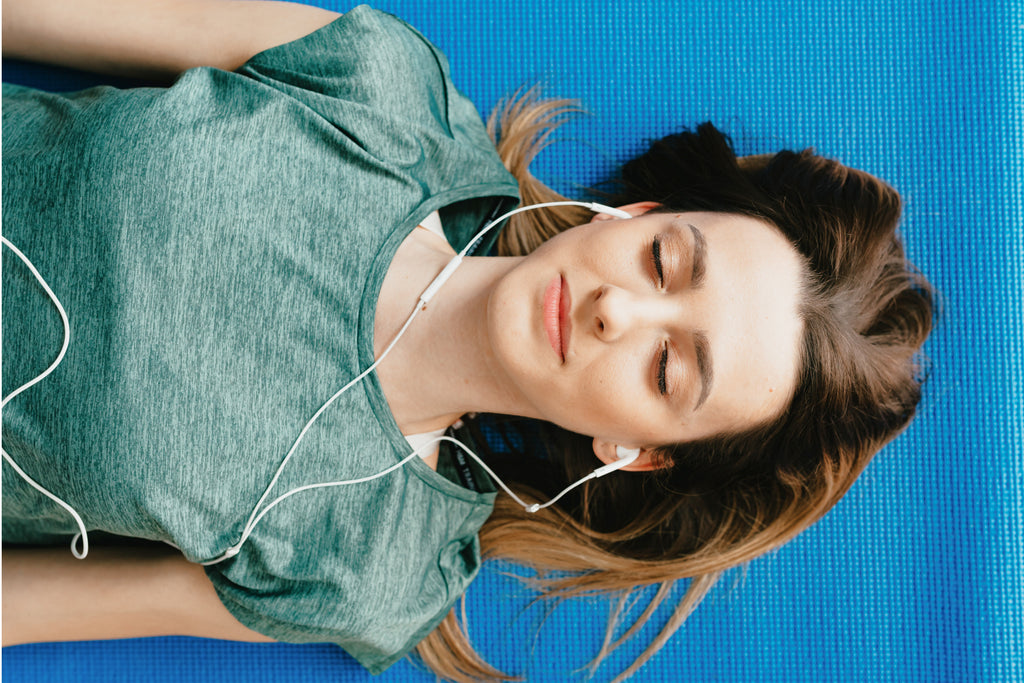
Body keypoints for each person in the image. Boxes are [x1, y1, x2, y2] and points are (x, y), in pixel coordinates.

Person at [1, 1, 934, 680]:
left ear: (638, 453)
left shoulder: (376, 565)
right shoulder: (387, 92)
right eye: (663, 260)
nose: (618, 311)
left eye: (666, 367)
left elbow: (24, 609)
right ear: (637, 211)